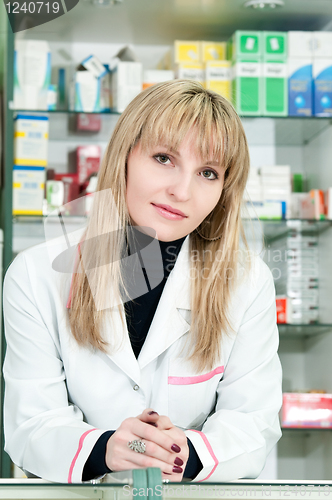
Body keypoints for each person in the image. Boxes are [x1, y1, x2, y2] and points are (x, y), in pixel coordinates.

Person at [3, 80, 282, 484]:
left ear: (224, 190)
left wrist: (185, 452)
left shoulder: (247, 280)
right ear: (125, 158)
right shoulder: (36, 274)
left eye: (207, 172)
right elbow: (31, 423)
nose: (181, 190)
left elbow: (253, 421)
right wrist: (108, 448)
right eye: (164, 158)